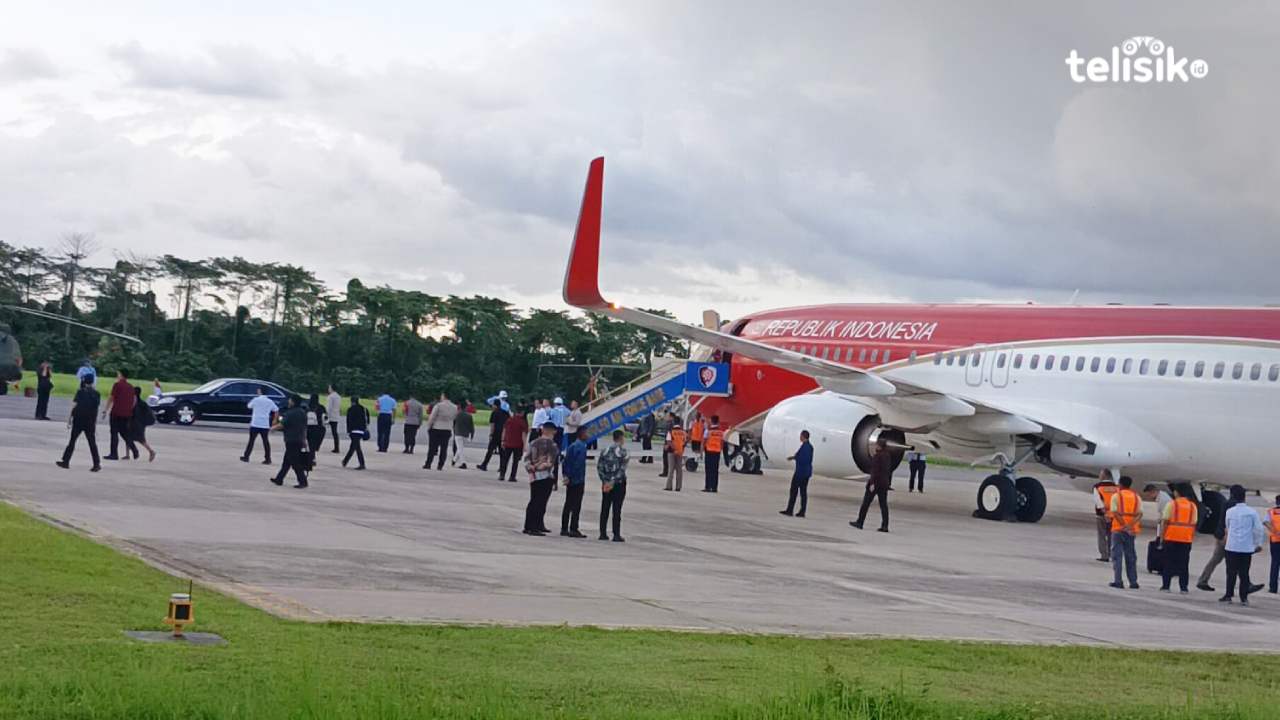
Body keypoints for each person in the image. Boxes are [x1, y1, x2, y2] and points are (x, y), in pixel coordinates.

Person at [1221, 484, 1265, 605]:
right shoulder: (1252, 512)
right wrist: (1258, 543)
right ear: (1245, 497)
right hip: (1246, 548)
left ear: (1233, 496)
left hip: (1232, 546)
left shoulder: (1230, 512)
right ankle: (1244, 598)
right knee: (1244, 573)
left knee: (1231, 572)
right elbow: (1258, 529)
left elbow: (1227, 527)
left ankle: (1228, 595)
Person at [1157, 484, 1198, 593]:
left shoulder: (1172, 504)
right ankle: (1183, 587)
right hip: (1186, 539)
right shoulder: (1192, 506)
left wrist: (1162, 537)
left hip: (1171, 537)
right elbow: (1194, 523)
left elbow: (1165, 521)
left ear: (1177, 493)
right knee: (1184, 564)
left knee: (1168, 563)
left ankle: (1166, 586)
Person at [56, 377, 101, 471]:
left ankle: (66, 461)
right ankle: (96, 463)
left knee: (72, 441)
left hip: (79, 419)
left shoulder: (80, 392)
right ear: (92, 382)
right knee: (92, 443)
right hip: (90, 420)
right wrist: (95, 423)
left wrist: (69, 418)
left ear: (84, 383)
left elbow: (74, 405)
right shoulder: (97, 394)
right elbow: (96, 409)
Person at [522, 422, 559, 536]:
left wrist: (531, 468)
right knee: (541, 502)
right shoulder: (552, 445)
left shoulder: (533, 443)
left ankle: (529, 525)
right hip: (545, 476)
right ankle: (535, 526)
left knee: (533, 500)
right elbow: (551, 463)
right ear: (553, 431)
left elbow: (526, 459)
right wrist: (540, 467)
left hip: (534, 476)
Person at [1107, 476, 1143, 590]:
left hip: (1118, 529)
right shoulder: (1137, 497)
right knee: (1131, 556)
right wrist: (1130, 525)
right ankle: (1133, 582)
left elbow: (1115, 513)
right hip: (1131, 531)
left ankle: (1118, 581)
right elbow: (1140, 514)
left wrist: (1123, 525)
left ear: (1120, 484)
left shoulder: (1116, 496)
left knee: (1117, 556)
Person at [851, 436, 893, 532]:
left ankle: (860, 522)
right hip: (884, 483)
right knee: (883, 505)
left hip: (876, 483)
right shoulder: (887, 456)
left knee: (866, 503)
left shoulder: (877, 456)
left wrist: (872, 483)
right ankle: (885, 525)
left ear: (879, 446)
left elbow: (875, 471)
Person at [270, 395, 309, 488]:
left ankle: (303, 481)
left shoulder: (290, 413)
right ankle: (279, 479)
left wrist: (273, 428)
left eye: (290, 400)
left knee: (295, 462)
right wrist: (304, 439)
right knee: (287, 461)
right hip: (299, 439)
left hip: (291, 439)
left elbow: (282, 424)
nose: (289, 402)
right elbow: (304, 427)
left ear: (293, 402)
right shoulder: (303, 412)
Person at [598, 429, 629, 542]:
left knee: (605, 508)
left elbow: (599, 467)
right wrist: (613, 481)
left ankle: (602, 532)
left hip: (606, 483)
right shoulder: (623, 452)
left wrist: (605, 481)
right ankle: (616, 534)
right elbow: (622, 469)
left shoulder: (604, 451)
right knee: (617, 509)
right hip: (618, 484)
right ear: (621, 438)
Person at [100, 369, 138, 461]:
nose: (117, 376)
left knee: (114, 433)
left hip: (116, 412)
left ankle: (114, 454)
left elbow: (111, 398)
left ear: (121, 375)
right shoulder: (131, 387)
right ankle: (134, 449)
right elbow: (133, 400)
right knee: (124, 433)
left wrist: (105, 410)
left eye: (118, 374)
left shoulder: (117, 385)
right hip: (127, 414)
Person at [560, 428, 589, 537]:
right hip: (578, 479)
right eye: (586, 433)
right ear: (581, 434)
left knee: (568, 504)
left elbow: (565, 462)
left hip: (570, 479)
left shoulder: (571, 446)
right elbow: (578, 464)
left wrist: (566, 475)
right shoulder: (581, 447)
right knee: (576, 505)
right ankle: (573, 528)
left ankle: (564, 528)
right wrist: (574, 476)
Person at [780, 430, 813, 517]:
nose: (800, 437)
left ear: (803, 436)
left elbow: (804, 459)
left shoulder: (806, 447)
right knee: (802, 492)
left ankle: (791, 510)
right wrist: (794, 457)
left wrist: (796, 457)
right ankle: (800, 511)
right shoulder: (808, 446)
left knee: (795, 491)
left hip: (801, 472)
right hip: (804, 472)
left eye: (800, 436)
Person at [240, 387, 276, 465]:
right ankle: (268, 458)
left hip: (255, 423)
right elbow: (276, 409)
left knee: (251, 441)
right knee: (265, 441)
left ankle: (246, 456)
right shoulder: (270, 401)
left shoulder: (256, 400)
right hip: (265, 424)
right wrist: (274, 420)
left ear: (260, 391)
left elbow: (249, 406)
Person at [423, 392, 458, 470]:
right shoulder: (455, 407)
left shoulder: (439, 405)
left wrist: (429, 426)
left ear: (444, 396)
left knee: (432, 448)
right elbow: (454, 417)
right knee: (444, 448)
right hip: (447, 429)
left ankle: (428, 464)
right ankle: (440, 465)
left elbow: (432, 417)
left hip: (436, 428)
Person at [1092, 473, 1119, 562]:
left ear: (1103, 476)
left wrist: (1105, 513)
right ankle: (1112, 554)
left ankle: (1104, 555)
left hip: (1101, 515)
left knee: (1102, 535)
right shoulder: (1116, 487)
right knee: (1111, 535)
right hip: (1114, 515)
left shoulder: (1097, 487)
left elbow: (1098, 501)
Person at [128, 386, 158, 462]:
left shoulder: (135, 402)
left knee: (140, 440)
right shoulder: (142, 403)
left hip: (136, 424)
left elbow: (133, 412)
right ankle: (127, 454)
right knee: (128, 438)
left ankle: (151, 451)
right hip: (140, 423)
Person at [477, 399, 508, 471]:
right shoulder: (505, 413)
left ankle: (484, 465)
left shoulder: (494, 413)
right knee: (502, 452)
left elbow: (492, 424)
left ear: (495, 405)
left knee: (490, 450)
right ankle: (502, 467)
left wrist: (491, 434)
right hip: (503, 434)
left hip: (495, 434)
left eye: (493, 405)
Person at [499, 406, 528, 482]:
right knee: (515, 462)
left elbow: (504, 430)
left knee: (505, 460)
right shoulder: (523, 422)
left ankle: (502, 475)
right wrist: (525, 445)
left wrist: (502, 440)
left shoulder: (509, 420)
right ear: (522, 413)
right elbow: (523, 435)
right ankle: (512, 476)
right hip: (518, 444)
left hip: (508, 443)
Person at [342, 395, 369, 469]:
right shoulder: (364, 409)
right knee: (355, 446)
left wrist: (348, 430)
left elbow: (349, 421)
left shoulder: (350, 409)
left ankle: (361, 464)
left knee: (356, 447)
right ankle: (345, 461)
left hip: (354, 431)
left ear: (352, 401)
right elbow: (367, 420)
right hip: (361, 430)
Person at [663, 417, 686, 492]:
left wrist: (673, 448)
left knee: (671, 470)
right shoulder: (683, 432)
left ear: (673, 422)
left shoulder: (671, 431)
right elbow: (685, 441)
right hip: (680, 452)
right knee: (679, 470)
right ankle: (678, 487)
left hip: (671, 452)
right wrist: (680, 449)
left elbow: (669, 442)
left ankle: (669, 486)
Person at [702, 415, 724, 493]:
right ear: (718, 421)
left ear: (711, 421)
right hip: (717, 452)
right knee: (715, 470)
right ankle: (714, 487)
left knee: (708, 470)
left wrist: (701, 452)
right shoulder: (721, 432)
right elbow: (722, 443)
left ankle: (708, 486)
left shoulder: (708, 431)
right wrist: (720, 450)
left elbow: (704, 441)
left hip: (709, 451)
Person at [305, 393, 327, 468]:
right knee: (313, 445)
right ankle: (312, 459)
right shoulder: (321, 407)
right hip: (318, 428)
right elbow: (325, 418)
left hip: (308, 428)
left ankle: (310, 459)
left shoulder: (307, 407)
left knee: (309, 444)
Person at [451, 404, 475, 469]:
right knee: (460, 448)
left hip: (458, 433)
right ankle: (454, 460)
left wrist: (453, 430)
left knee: (460, 449)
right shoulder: (469, 416)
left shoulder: (457, 415)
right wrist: (472, 434)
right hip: (465, 434)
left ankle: (463, 463)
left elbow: (453, 423)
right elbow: (471, 426)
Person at [1266, 495, 1280, 594]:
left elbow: (1266, 522)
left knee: (1275, 564)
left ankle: (1273, 588)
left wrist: (1275, 531)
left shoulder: (1271, 512)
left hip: (1275, 540)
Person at [326, 385, 342, 453]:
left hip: (331, 416)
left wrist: (327, 415)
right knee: (335, 432)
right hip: (336, 416)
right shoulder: (338, 396)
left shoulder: (331, 396)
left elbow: (329, 407)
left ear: (332, 388)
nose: (328, 389)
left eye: (329, 388)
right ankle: (337, 447)